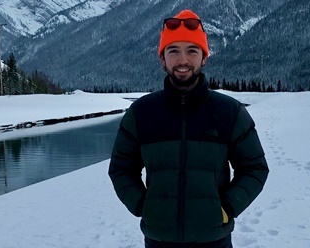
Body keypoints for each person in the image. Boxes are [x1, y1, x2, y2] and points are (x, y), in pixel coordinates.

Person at [108, 9, 269, 248]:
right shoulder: (142, 113)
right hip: (159, 239)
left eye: (192, 51)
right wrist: (143, 206)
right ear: (162, 58)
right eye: (173, 51)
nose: (183, 60)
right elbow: (121, 168)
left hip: (214, 239)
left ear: (204, 57)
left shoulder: (229, 112)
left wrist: (227, 207)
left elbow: (254, 168)